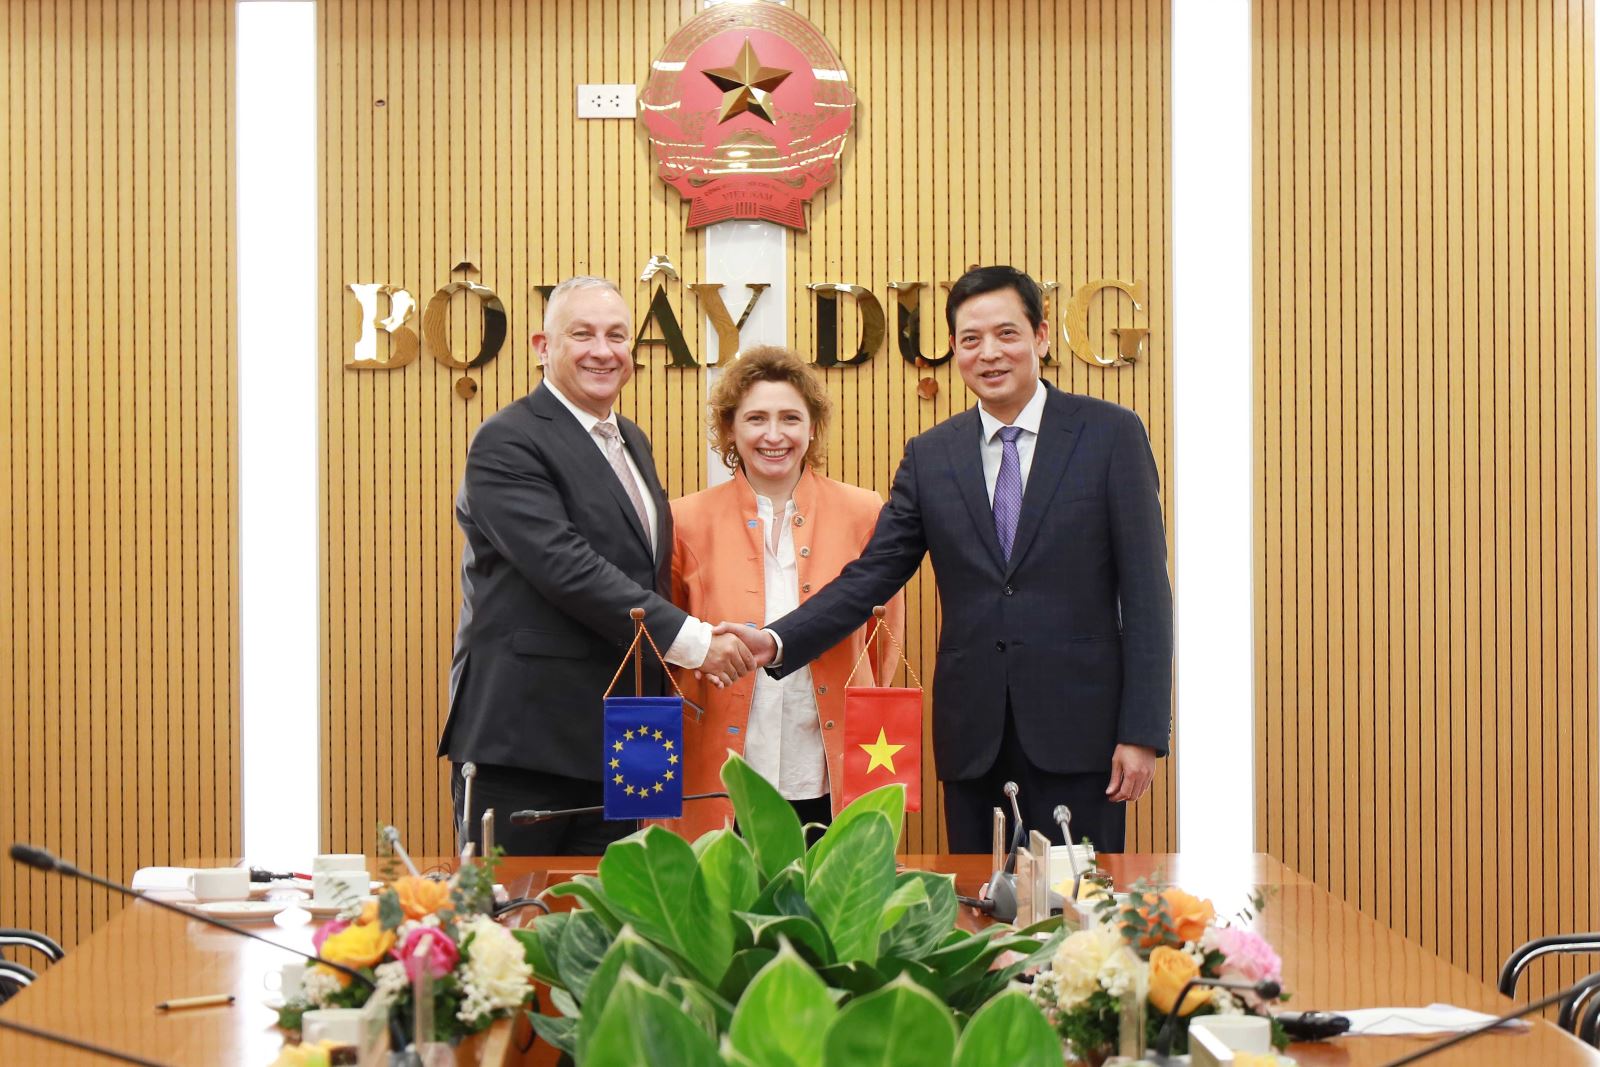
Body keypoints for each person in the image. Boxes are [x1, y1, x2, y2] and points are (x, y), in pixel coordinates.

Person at [724, 265, 1173, 853]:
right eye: (970, 339)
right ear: (955, 350)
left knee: (1076, 899)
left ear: (1040, 337)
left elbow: (1146, 595)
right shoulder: (932, 455)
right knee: (980, 896)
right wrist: (776, 641)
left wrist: (1142, 731)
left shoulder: (1110, 434)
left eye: (1006, 334)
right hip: (974, 736)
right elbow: (871, 575)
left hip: (1082, 733)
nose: (989, 353)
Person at [437, 276, 756, 855]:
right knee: (513, 907)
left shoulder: (630, 440)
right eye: (582, 334)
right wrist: (694, 642)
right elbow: (566, 567)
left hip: (630, 737)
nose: (602, 351)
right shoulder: (507, 440)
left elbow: (645, 573)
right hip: (528, 742)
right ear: (543, 346)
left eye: (616, 335)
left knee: (626, 905)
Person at [659, 346, 904, 844]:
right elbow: (670, 649)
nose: (774, 435)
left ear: (812, 428)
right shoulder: (683, 519)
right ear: (730, 429)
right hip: (719, 771)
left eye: (790, 418)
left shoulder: (864, 511)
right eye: (756, 419)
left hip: (828, 767)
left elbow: (883, 644)